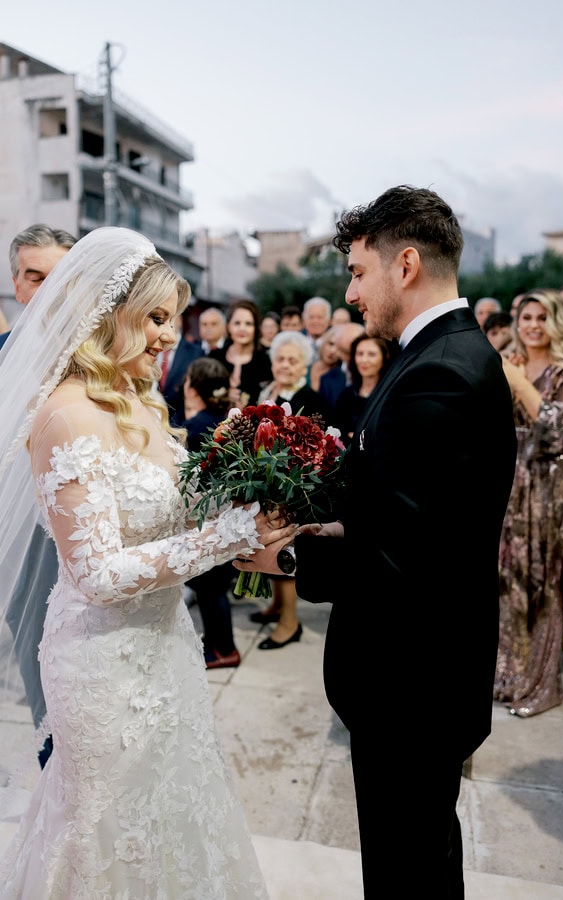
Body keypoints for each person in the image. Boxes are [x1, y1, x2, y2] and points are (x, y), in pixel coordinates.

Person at [234, 184, 517, 898]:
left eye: (359, 272)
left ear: (407, 264)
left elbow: (404, 556)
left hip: (411, 681)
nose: (352, 293)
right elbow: (403, 508)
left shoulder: (443, 373)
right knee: (415, 861)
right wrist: (324, 516)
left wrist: (288, 556)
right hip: (419, 673)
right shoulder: (434, 353)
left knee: (407, 870)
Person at [0, 226, 294, 897]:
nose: (170, 337)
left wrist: (259, 517)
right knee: (104, 831)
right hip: (101, 666)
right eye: (157, 318)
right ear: (107, 317)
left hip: (167, 645)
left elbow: (182, 516)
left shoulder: (142, 403)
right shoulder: (65, 417)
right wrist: (226, 536)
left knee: (177, 810)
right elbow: (97, 574)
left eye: (174, 320)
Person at [494, 289, 563, 718]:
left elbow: (557, 431)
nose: (532, 325)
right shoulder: (509, 361)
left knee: (544, 581)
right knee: (508, 579)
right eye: (525, 316)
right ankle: (509, 674)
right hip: (510, 482)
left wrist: (518, 385)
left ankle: (543, 684)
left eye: (541, 317)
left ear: (556, 321)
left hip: (551, 487)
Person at [2, 223, 77, 770]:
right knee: (38, 662)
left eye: (56, 276)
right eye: (32, 275)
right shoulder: (3, 355)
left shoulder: (101, 357)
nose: (44, 288)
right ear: (16, 283)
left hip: (87, 527)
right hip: (23, 539)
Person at [251, 330, 333, 649]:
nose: (284, 365)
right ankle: (275, 608)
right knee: (264, 548)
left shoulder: (311, 400)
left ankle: (290, 623)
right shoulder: (266, 391)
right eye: (280, 359)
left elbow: (319, 448)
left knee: (283, 552)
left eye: (292, 360)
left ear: (304, 365)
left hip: (291, 489)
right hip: (262, 486)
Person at [182, 356, 242, 669]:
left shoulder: (194, 428)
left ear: (194, 388)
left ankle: (225, 649)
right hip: (230, 516)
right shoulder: (230, 420)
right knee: (213, 587)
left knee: (210, 589)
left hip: (207, 517)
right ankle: (216, 642)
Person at [0, 223, 77, 350]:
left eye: (61, 278)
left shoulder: (104, 352)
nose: (49, 290)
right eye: (36, 279)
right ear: (18, 289)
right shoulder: (3, 349)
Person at [210, 298, 272, 407]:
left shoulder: (265, 361)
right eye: (237, 323)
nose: (242, 328)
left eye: (248, 324)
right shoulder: (214, 358)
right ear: (228, 327)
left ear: (256, 328)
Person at [333, 332, 392, 447]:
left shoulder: (389, 396)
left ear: (384, 357)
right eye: (360, 354)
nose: (364, 360)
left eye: (371, 354)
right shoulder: (347, 395)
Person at [157, 312, 205, 425]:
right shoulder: (147, 347)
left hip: (179, 423)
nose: (168, 322)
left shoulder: (196, 353)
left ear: (180, 319)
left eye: (173, 317)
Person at [301, 295, 332, 362]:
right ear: (304, 320)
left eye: (320, 317)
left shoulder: (336, 346)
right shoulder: (296, 342)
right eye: (311, 317)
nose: (315, 321)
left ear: (328, 320)